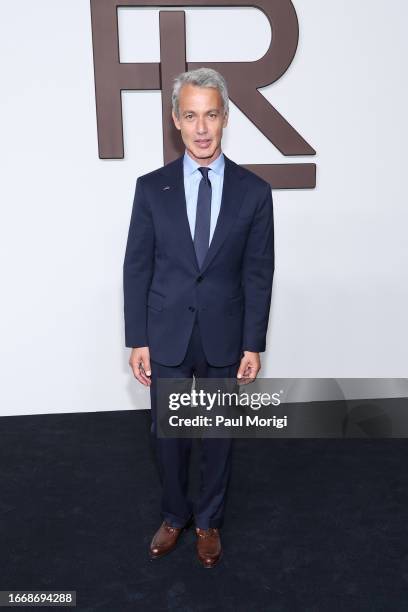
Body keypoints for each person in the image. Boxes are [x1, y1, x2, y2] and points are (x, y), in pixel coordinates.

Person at [123, 67, 274, 568]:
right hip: (165, 333)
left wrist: (253, 344)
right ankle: (174, 515)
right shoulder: (151, 189)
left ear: (225, 118)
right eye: (191, 115)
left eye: (211, 114)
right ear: (176, 120)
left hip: (224, 335)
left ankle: (208, 521)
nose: (202, 127)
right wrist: (137, 337)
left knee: (218, 436)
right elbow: (137, 266)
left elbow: (258, 273)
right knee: (168, 436)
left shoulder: (254, 192)